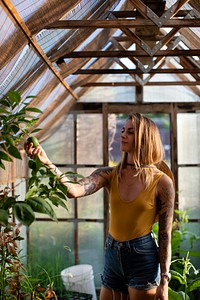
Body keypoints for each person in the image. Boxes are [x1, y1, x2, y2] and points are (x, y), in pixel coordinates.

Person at [25, 113, 175, 300]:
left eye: (130, 132)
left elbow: (165, 234)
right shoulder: (109, 174)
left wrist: (164, 281)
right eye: (122, 130)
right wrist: (47, 162)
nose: (122, 135)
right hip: (112, 253)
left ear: (145, 138)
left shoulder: (163, 183)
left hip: (142, 256)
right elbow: (74, 190)